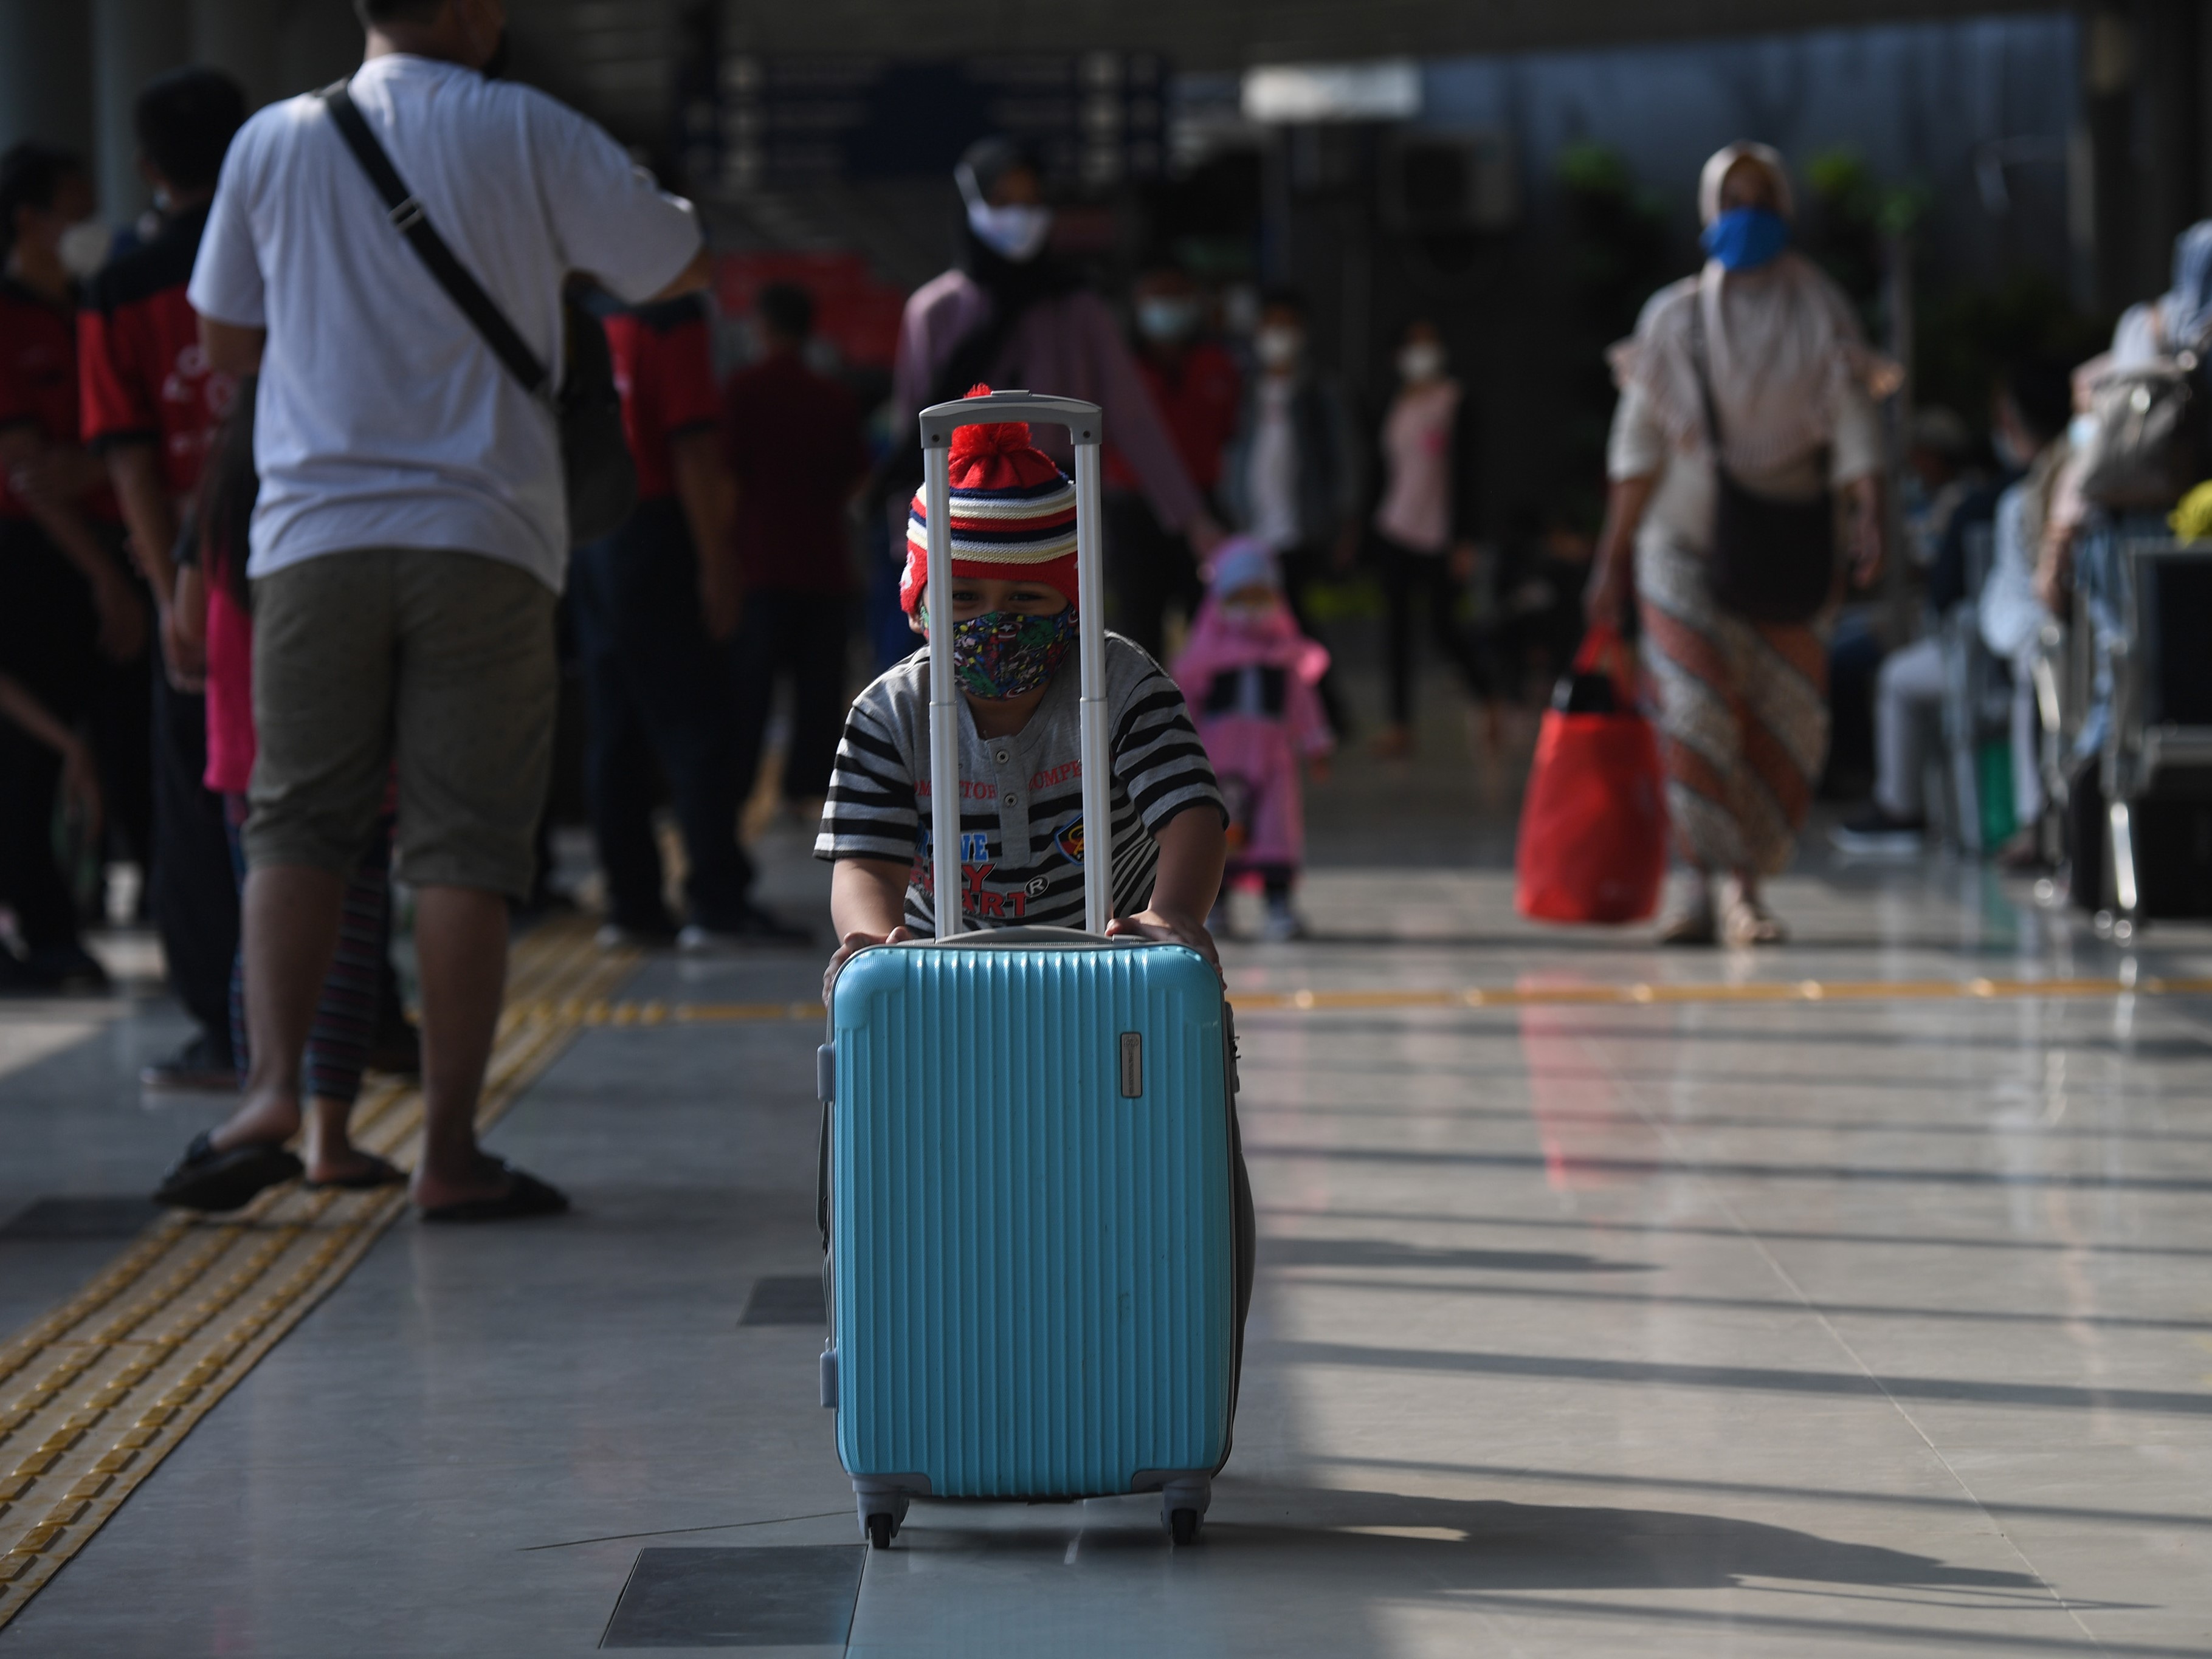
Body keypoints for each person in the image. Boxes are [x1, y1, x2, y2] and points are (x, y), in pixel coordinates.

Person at [157, 0, 711, 1220]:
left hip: (311, 537)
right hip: (487, 538)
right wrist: (542, 252)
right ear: (467, 10)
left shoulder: (275, 138)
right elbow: (675, 259)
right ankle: (451, 1156)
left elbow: (224, 335)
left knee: (297, 824)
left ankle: (265, 1098)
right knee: (464, 848)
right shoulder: (527, 127)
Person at [1586, 142, 1891, 946]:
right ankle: (1706, 885)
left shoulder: (1821, 310)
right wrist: (1609, 558)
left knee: (1781, 721)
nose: (1745, 214)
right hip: (1679, 544)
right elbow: (1635, 449)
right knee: (1692, 711)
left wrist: (1869, 510)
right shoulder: (1673, 319)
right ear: (1706, 212)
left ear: (1783, 209)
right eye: (1732, 199)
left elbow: (1855, 421)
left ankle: (1741, 882)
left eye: (1761, 198)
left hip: (1791, 549)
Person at [819, 390, 1227, 973]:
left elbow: (1190, 814)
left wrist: (1171, 914)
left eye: (1025, 597)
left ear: (1075, 605)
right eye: (963, 598)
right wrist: (880, 943)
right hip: (943, 965)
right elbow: (865, 862)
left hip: (1112, 958)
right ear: (918, 609)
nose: (995, 623)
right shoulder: (890, 714)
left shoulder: (1122, 687)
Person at [157, 382, 402, 1195]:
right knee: (351, 940)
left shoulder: (222, 491)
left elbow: (188, 623)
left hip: (246, 752)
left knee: (264, 937)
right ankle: (331, 1134)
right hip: (360, 752)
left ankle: (260, 1101)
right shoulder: (352, 484)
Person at [78, 67, 252, 1084]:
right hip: (317, 542)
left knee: (200, 798)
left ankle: (226, 1024)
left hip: (200, 563)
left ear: (147, 166)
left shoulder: (123, 284)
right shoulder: (287, 253)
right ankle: (353, 1016)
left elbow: (129, 450)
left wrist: (166, 584)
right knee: (339, 799)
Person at [571, 281, 796, 950]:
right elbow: (692, 446)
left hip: (592, 537)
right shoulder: (669, 313)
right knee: (697, 722)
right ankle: (716, 898)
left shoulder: (587, 312)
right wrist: (717, 561)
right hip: (656, 530)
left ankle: (631, 902)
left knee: (614, 728)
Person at [889, 138, 1222, 569]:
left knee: (1059, 632)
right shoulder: (936, 311)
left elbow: (1133, 416)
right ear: (969, 204)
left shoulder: (1076, 307)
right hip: (964, 521)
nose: (1020, 215)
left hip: (1059, 518)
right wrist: (910, 545)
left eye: (1031, 200)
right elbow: (913, 432)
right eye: (1002, 200)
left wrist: (1192, 519)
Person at [0, 141, 137, 992]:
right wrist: (106, 576)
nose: (92, 225)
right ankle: (45, 928)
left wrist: (97, 465)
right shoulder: (8, 318)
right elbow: (30, 473)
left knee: (123, 741)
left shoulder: (94, 306)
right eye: (77, 208)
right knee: (28, 758)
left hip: (109, 547)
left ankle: (112, 896)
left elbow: (99, 451)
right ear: (32, 218)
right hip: (37, 563)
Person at [1830, 401, 2016, 854]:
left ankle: (1897, 806)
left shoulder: (1966, 501)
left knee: (1876, 671)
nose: (1913, 460)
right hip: (1950, 631)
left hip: (1958, 637)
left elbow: (1937, 581)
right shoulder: (1928, 497)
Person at [723, 280, 869, 837]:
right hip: (824, 565)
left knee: (749, 691)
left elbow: (726, 477)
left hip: (759, 565)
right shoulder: (833, 397)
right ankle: (805, 792)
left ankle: (735, 788)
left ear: (762, 326)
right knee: (818, 690)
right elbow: (856, 477)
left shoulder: (742, 390)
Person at [1170, 537, 1332, 941]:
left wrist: (1315, 745)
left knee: (1276, 829)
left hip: (1273, 759)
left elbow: (1302, 704)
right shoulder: (1204, 659)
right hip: (1218, 761)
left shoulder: (1283, 656)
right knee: (1220, 832)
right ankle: (1215, 905)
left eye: (1259, 596)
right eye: (1239, 597)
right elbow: (1183, 704)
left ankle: (1278, 906)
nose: (1250, 607)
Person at [1219, 287, 1361, 737]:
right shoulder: (1244, 391)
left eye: (1286, 325)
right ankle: (1286, 713)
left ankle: (1324, 714)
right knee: (1260, 626)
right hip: (1252, 529)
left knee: (1293, 624)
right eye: (1269, 325)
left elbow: (1347, 456)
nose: (1277, 335)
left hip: (1300, 529)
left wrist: (1344, 517)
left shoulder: (1321, 390)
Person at [1106, 262, 1242, 659]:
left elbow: (1232, 436)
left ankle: (1208, 718)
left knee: (1211, 625)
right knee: (1139, 628)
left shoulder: (1218, 364)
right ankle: (1145, 716)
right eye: (1156, 296)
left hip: (1202, 509)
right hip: (1133, 512)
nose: (1166, 306)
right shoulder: (1118, 368)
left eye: (1175, 295)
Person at [1369, 317, 1489, 758]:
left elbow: (1469, 474)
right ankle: (1399, 725)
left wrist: (1465, 538)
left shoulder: (1455, 400)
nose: (1423, 351)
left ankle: (1486, 691)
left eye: (1430, 342)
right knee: (1395, 632)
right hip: (1394, 526)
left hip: (1439, 532)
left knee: (1443, 627)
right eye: (1413, 343)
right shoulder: (1393, 403)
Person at [1973, 362, 2077, 867]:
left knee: (2033, 671)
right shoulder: (2032, 492)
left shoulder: (2032, 493)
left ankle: (2038, 826)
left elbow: (2013, 607)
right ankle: (2038, 822)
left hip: (2057, 643)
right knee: (2034, 669)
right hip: (2052, 642)